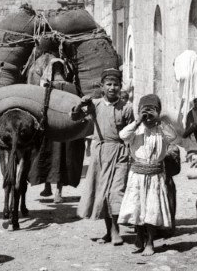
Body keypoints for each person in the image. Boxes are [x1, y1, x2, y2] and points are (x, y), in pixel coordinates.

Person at [76, 68, 134, 245]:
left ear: (120, 87)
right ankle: (109, 231)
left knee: (115, 192)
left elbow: (132, 131)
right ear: (102, 87)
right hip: (100, 154)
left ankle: (116, 230)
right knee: (102, 193)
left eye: (116, 84)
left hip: (120, 152)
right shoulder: (95, 105)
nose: (112, 87)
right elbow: (75, 117)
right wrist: (80, 105)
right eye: (108, 84)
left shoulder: (127, 107)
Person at [119, 94, 179, 255]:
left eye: (152, 111)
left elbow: (173, 136)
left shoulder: (161, 130)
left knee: (152, 209)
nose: (148, 116)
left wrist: (159, 119)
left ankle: (150, 242)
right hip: (137, 175)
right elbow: (123, 135)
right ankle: (139, 236)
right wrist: (138, 120)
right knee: (137, 208)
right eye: (144, 111)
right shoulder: (136, 129)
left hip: (155, 176)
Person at [29, 58, 85, 203]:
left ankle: (48, 187)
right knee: (62, 157)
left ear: (50, 71)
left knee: (47, 154)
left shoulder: (46, 88)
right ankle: (57, 193)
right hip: (66, 129)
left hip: (50, 128)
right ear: (65, 71)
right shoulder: (73, 88)